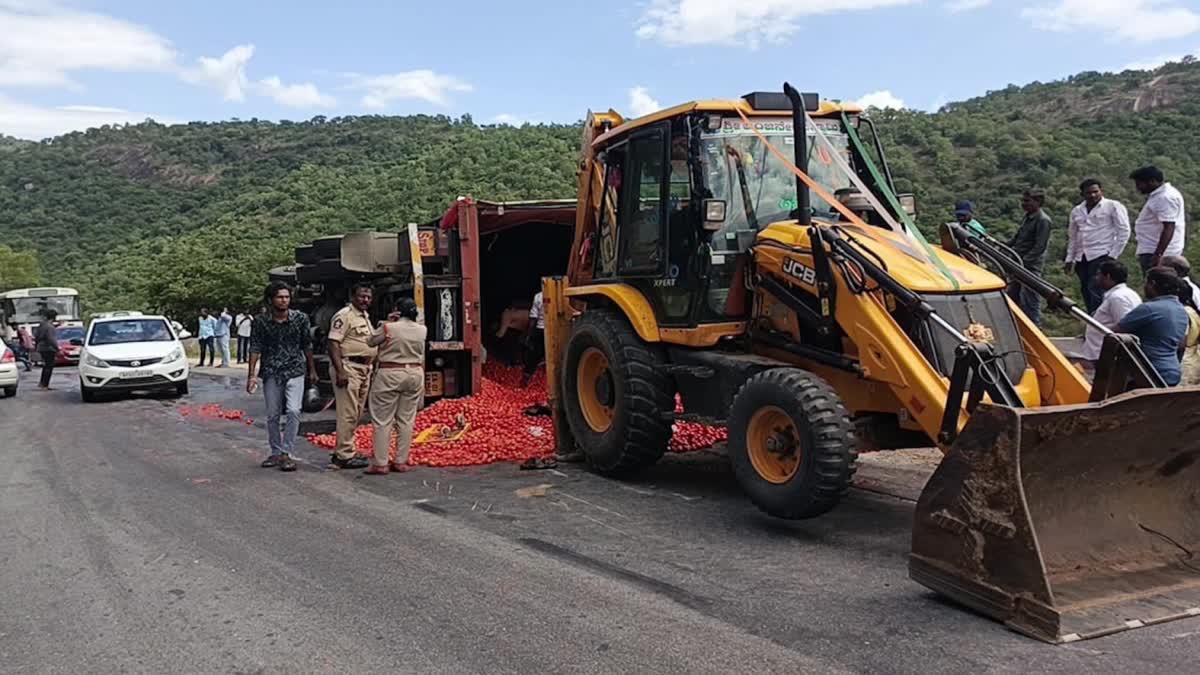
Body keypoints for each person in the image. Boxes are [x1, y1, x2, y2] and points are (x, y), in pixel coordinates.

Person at [247, 282, 317, 472]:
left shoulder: (300, 318)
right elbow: (255, 347)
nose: (284, 300)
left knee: (294, 411)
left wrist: (312, 369)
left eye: (286, 297)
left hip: (295, 370)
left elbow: (307, 344)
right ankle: (275, 451)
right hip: (271, 372)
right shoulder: (261, 322)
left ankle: (287, 452)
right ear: (271, 300)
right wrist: (251, 375)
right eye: (280, 297)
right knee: (272, 415)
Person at [363, 297, 427, 475]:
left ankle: (380, 463)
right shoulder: (422, 330)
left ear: (397, 311)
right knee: (406, 419)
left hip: (390, 374)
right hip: (414, 374)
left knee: (383, 420)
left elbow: (370, 341)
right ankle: (401, 460)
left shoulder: (388, 327)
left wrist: (387, 322)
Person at [326, 282, 377, 470]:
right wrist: (340, 371)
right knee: (347, 413)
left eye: (368, 297)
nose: (365, 300)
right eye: (362, 296)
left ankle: (347, 450)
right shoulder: (344, 316)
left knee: (355, 413)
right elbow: (333, 343)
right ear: (353, 297)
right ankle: (344, 455)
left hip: (364, 369)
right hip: (349, 367)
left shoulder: (365, 317)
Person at [1064, 179, 1130, 314]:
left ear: (1101, 191)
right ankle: (1092, 323)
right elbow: (1074, 236)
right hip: (1082, 257)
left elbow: (1123, 231)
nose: (1093, 195)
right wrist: (1069, 259)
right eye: (1089, 193)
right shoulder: (1077, 211)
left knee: (1097, 290)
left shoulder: (1113, 206)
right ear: (1082, 194)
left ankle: (1101, 326)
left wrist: (1113, 255)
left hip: (1102, 253)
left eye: (1095, 192)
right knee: (1086, 290)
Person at [1116, 267, 1190, 386]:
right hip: (1172, 370)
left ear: (1152, 283)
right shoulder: (1181, 311)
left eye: (1146, 282)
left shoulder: (1149, 308)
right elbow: (1181, 343)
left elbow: (1115, 332)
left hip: (1147, 371)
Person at [1007, 188, 1053, 326]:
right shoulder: (1027, 217)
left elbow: (1040, 247)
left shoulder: (1043, 220)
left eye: (1027, 201)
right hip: (1017, 263)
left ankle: (1035, 327)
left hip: (1030, 266)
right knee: (1012, 296)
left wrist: (1024, 262)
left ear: (1038, 202)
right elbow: (1017, 238)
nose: (1023, 204)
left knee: (1030, 298)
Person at [1081, 260, 1141, 364]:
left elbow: (1124, 326)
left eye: (1099, 274)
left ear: (1107, 276)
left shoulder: (1118, 298)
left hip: (1102, 355)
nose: (1096, 278)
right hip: (1099, 352)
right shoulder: (1127, 294)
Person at [1130, 166, 1186, 272]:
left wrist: (1158, 254)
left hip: (1160, 252)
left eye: (1139, 184)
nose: (1137, 188)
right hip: (1154, 249)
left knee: (1158, 285)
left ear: (1152, 181)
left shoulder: (1165, 197)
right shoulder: (1160, 195)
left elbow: (1169, 227)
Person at [522, 289, 545, 387]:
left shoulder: (539, 296)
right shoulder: (563, 293)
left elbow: (533, 318)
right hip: (556, 329)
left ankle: (526, 380)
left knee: (534, 357)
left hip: (540, 330)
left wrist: (529, 335)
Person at [33, 309, 60, 390]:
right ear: (54, 317)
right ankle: (45, 385)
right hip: (49, 348)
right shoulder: (50, 327)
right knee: (49, 366)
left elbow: (36, 336)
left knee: (45, 366)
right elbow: (51, 339)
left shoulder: (42, 325)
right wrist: (57, 348)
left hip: (41, 348)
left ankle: (42, 383)